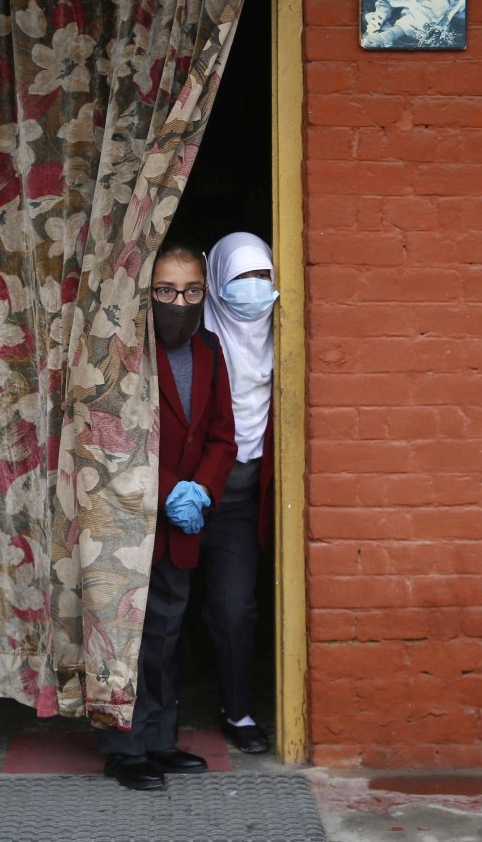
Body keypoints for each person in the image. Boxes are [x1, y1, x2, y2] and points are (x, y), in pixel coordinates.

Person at [97, 241, 237, 791]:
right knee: (120, 637)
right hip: (124, 522)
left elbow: (224, 436)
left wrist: (200, 490)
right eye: (165, 291)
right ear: (146, 293)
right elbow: (107, 438)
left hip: (180, 525)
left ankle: (158, 740)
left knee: (164, 634)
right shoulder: (122, 352)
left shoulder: (209, 351)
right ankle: (123, 750)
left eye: (190, 291)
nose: (178, 301)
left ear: (204, 293)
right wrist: (162, 489)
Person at [200, 232, 280, 755]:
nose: (253, 290)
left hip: (240, 501)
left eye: (263, 277)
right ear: (216, 282)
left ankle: (238, 708)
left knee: (235, 608)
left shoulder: (288, 334)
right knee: (162, 610)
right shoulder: (194, 334)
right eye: (240, 278)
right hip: (180, 491)